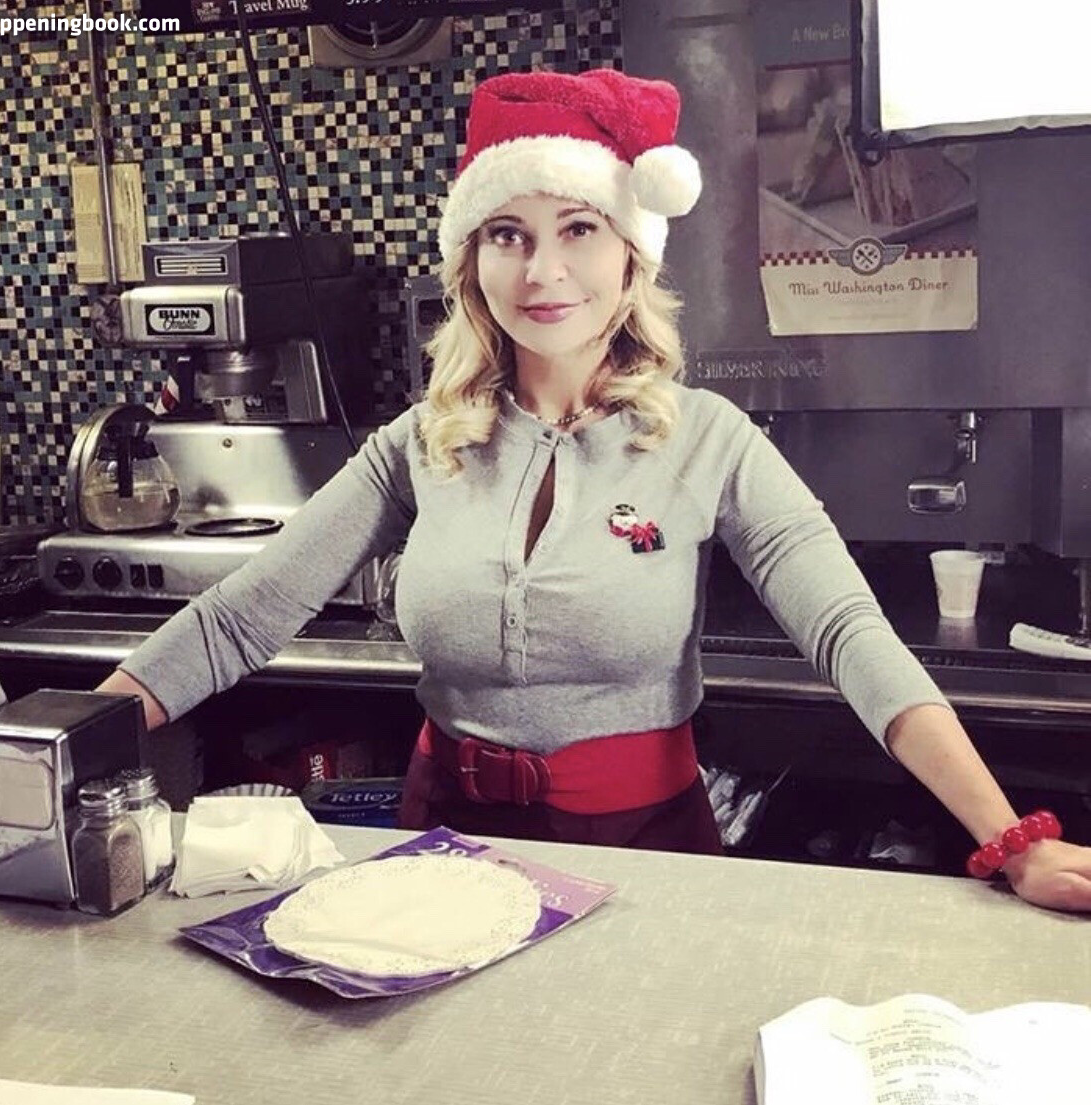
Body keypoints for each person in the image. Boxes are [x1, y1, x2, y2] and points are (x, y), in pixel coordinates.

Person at [99, 68, 1091, 912]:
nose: (543, 271)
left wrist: (1013, 841)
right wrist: (57, 741)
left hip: (645, 860)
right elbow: (242, 616)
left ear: (630, 252)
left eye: (578, 226)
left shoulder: (709, 439)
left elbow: (850, 636)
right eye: (507, 233)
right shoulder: (419, 441)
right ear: (471, 258)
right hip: (444, 852)